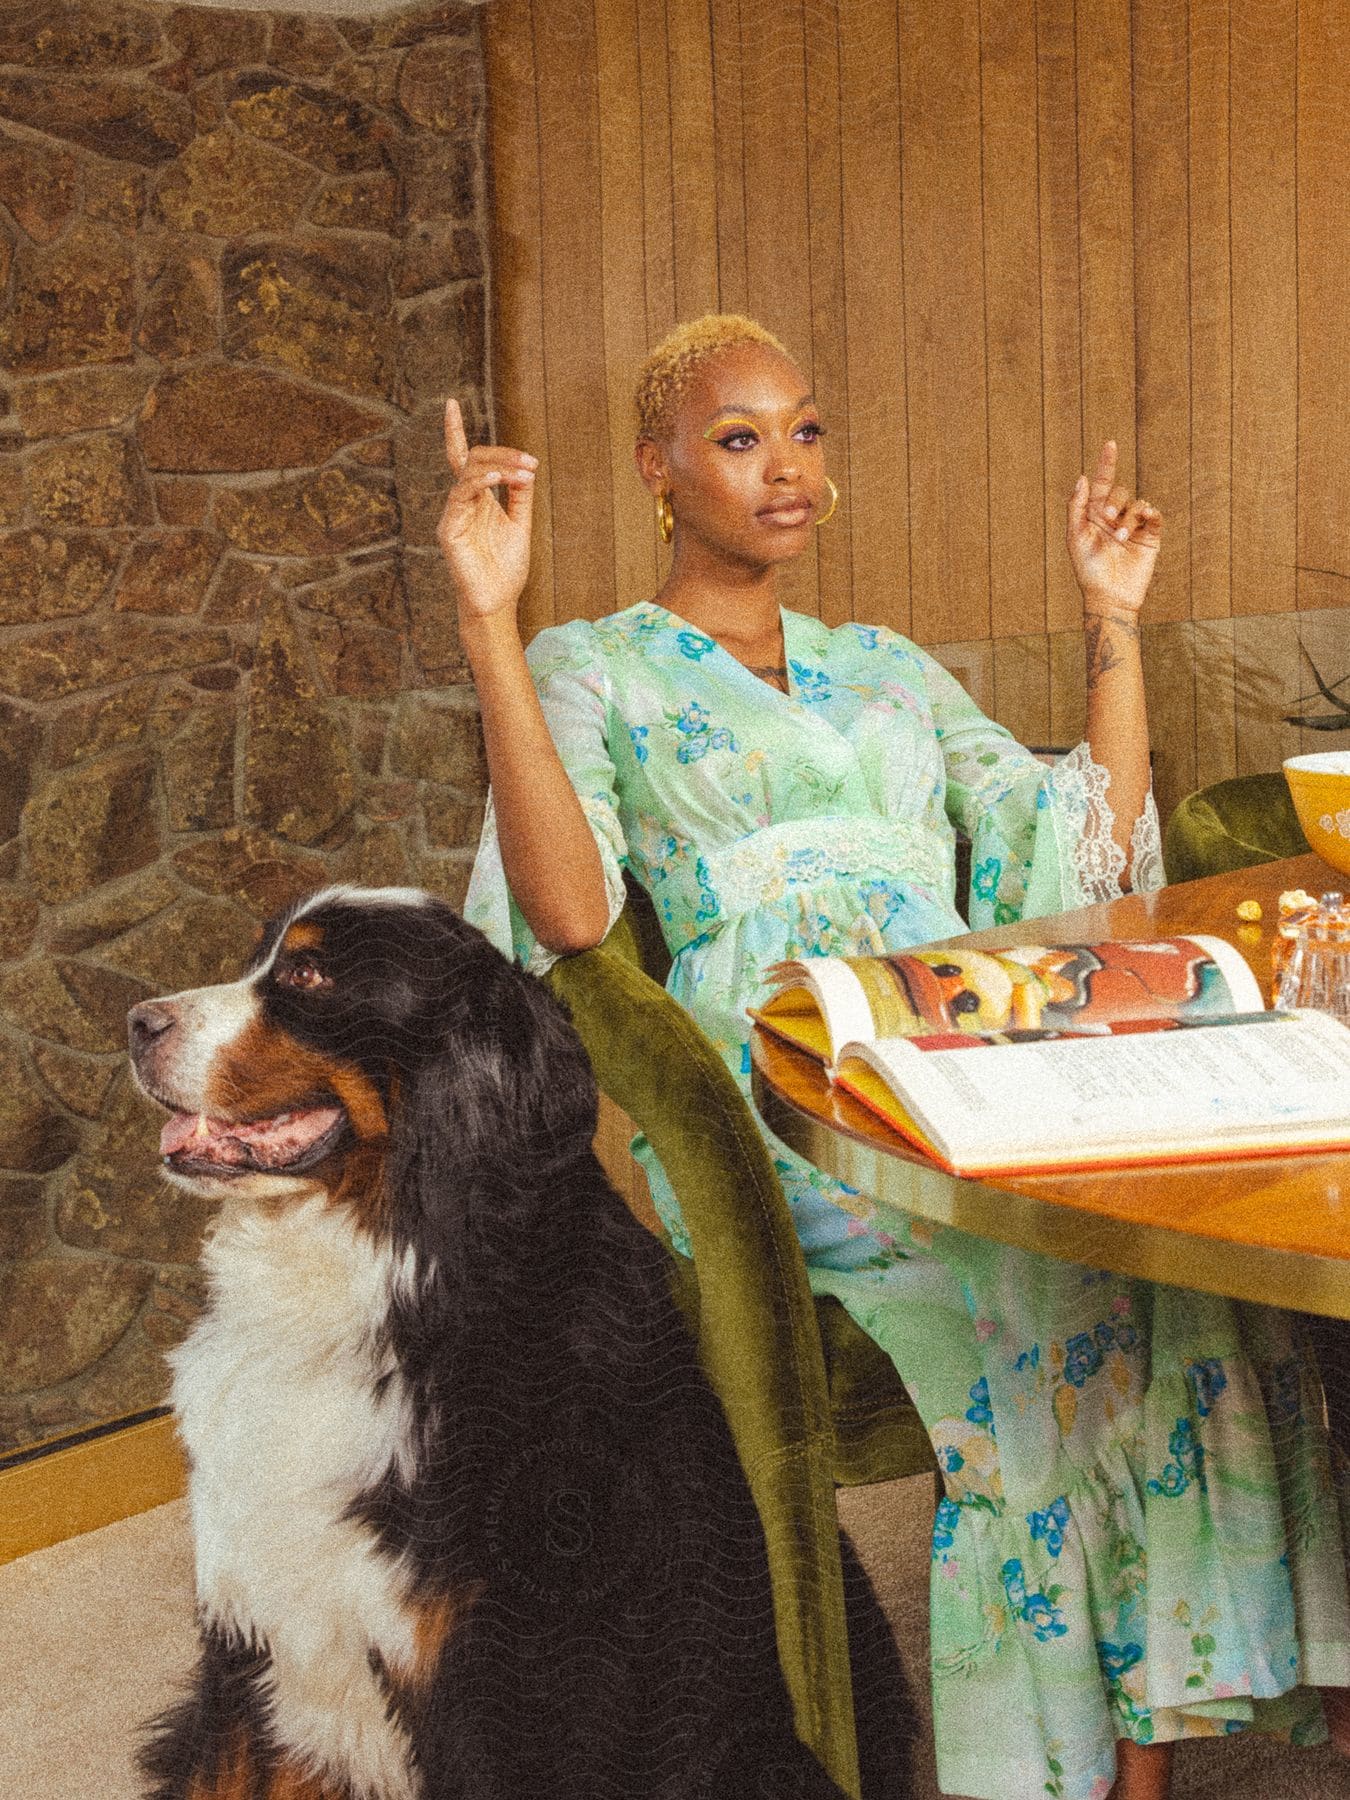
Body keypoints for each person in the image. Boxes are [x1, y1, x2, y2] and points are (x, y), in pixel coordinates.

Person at [446, 313, 1350, 1800]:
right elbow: (568, 912)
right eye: (738, 440)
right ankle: (1050, 1771)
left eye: (803, 431)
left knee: (1181, 1284)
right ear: (655, 470)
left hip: (961, 1045)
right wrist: (488, 617)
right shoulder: (591, 663)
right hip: (786, 1098)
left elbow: (1074, 851)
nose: (785, 468)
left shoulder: (883, 667)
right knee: (1039, 1303)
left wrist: (1111, 619)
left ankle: (1141, 1764)